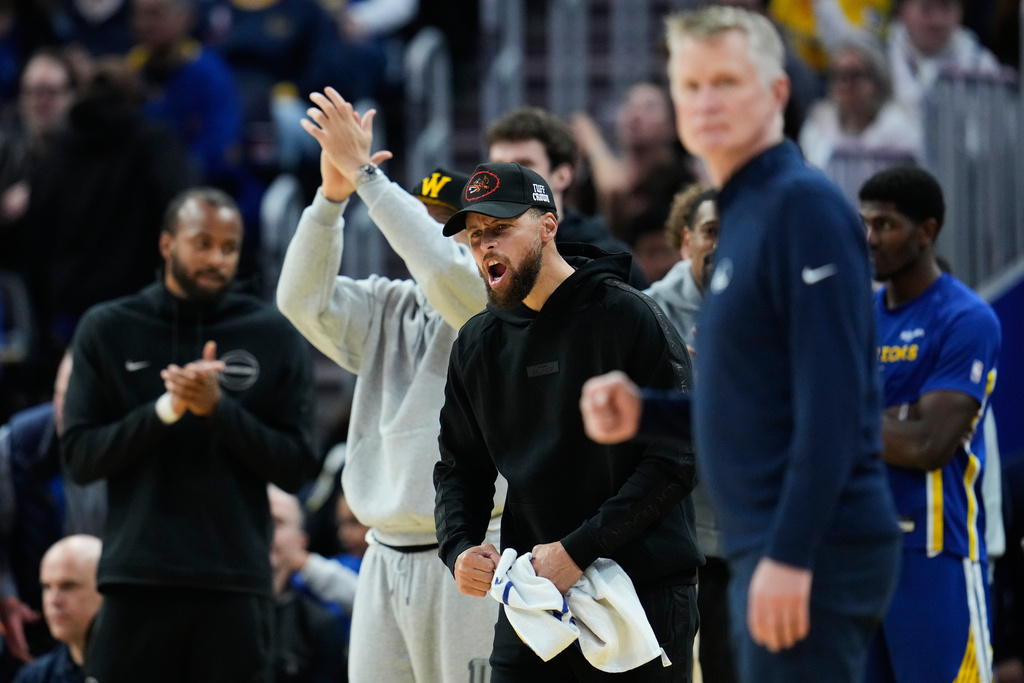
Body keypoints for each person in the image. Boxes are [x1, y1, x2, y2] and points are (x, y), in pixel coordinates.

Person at [581, 7, 901, 682]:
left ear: (778, 93)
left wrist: (791, 552)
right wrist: (648, 411)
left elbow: (835, 404)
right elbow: (755, 404)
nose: (707, 101)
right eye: (690, 85)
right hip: (771, 542)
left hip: (812, 544)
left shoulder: (802, 206)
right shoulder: (745, 211)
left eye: (726, 80)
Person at [433, 160, 702, 681]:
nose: (485, 245)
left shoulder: (628, 315)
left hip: (642, 588)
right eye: (474, 235)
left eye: (501, 229)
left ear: (548, 227)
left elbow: (676, 459)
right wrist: (460, 547)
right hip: (534, 597)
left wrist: (579, 551)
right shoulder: (476, 343)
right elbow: (459, 469)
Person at [277, 87, 503, 683]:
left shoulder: (495, 307)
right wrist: (331, 199)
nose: (425, 233)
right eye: (423, 218)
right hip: (382, 554)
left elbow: (440, 268)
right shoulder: (389, 305)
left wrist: (368, 179)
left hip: (475, 554)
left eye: (445, 224)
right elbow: (299, 300)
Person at [60, 187, 318, 683]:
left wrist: (218, 410)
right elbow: (80, 457)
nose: (216, 259)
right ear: (166, 245)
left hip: (235, 583)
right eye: (202, 243)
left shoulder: (272, 334)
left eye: (228, 247)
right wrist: (166, 410)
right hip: (136, 580)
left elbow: (297, 465)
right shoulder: (109, 328)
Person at [859, 166, 1001, 682]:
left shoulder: (966, 318)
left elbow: (928, 446)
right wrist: (894, 418)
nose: (871, 238)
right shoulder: (859, 314)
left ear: (927, 231)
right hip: (861, 550)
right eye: (865, 223)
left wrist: (842, 418)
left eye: (886, 225)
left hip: (936, 551)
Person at [641, 185, 734, 683]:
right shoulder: (650, 314)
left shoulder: (777, 310)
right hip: (677, 539)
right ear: (686, 242)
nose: (723, 243)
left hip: (753, 534)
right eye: (712, 231)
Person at [0, 351, 106, 680]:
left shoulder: (140, 450)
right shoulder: (18, 444)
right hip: (34, 621)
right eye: (61, 395)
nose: (66, 410)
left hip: (118, 621)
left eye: (81, 399)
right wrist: (5, 596)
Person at [484, 106, 649, 289]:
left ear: (562, 176)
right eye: (499, 168)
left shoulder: (610, 261)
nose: (508, 178)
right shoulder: (481, 254)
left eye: (524, 166)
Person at [569, 82, 697, 241]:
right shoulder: (597, 176)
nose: (635, 115)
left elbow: (615, 193)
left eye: (650, 107)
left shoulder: (679, 181)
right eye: (629, 104)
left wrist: (593, 143)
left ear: (672, 127)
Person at [799, 40, 922, 171]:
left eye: (855, 75)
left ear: (877, 81)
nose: (847, 85)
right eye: (840, 76)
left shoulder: (901, 128)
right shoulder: (819, 125)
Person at [267, 485, 348, 683]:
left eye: (277, 522)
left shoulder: (319, 626)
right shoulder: (214, 614)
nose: (266, 531)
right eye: (260, 520)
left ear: (301, 542)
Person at [12, 535, 102, 683]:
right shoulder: (34, 678)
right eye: (47, 587)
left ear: (104, 592)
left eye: (68, 586)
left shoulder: (142, 671)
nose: (54, 601)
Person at [887, 0, 1000, 114]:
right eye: (926, 9)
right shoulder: (878, 56)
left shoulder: (982, 66)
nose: (937, 21)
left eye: (946, 8)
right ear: (902, 12)